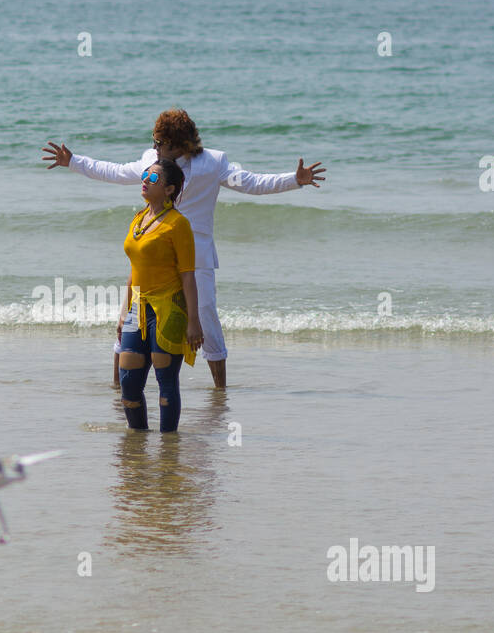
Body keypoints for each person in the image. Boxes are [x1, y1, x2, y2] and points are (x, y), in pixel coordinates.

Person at [44, 109, 324, 389]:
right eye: (154, 142)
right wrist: (74, 162)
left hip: (196, 255)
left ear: (178, 144)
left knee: (206, 318)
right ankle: (119, 387)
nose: (155, 149)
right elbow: (115, 172)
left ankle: (219, 390)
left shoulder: (214, 162)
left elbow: (252, 183)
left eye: (160, 143)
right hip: (153, 253)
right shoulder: (150, 162)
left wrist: (294, 180)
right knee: (135, 313)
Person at [116, 158, 202, 432]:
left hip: (169, 309)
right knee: (128, 383)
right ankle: (137, 444)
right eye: (145, 175)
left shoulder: (178, 224)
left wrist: (194, 321)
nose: (145, 181)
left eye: (153, 178)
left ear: (169, 189)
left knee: (166, 384)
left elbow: (188, 275)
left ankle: (168, 449)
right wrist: (123, 311)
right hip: (137, 309)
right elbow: (134, 268)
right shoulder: (139, 219)